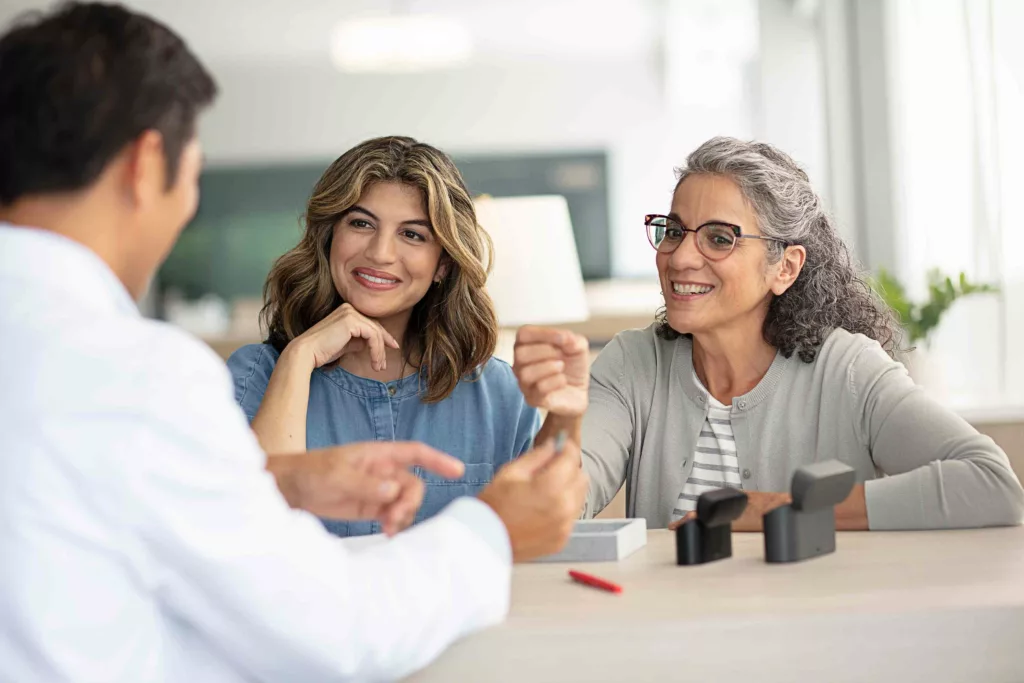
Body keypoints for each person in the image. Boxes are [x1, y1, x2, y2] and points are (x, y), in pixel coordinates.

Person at [0, 4, 587, 682]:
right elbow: (328, 632)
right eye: (194, 174)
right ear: (145, 164)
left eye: (414, 234)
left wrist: (277, 480)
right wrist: (489, 532)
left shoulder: (83, 359)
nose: (382, 251)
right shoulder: (139, 375)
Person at [514, 136, 1024, 532]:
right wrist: (564, 413)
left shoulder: (847, 371)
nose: (680, 256)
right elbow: (548, 513)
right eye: (673, 230)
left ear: (785, 267)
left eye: (719, 238)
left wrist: (778, 510)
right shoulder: (631, 364)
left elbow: (992, 484)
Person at [227, 136, 539, 537]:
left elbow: (539, 541)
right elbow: (248, 529)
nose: (379, 253)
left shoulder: (501, 395)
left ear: (442, 263)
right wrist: (298, 358)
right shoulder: (252, 376)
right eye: (361, 224)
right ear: (329, 237)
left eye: (412, 235)